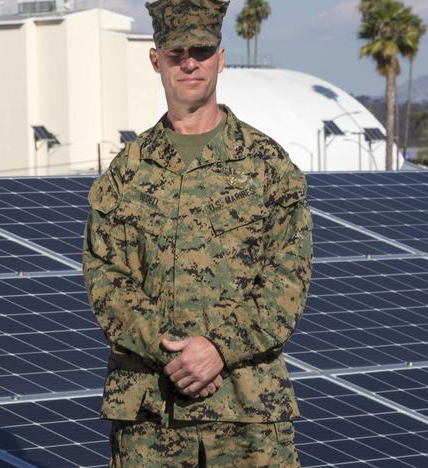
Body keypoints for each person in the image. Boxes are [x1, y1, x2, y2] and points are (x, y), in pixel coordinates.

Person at [82, 0, 312, 465]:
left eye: (202, 50)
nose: (189, 62)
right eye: (175, 52)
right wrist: (171, 351)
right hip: (150, 419)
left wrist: (219, 349)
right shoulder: (126, 173)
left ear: (220, 58)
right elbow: (105, 279)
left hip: (249, 418)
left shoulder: (268, 166)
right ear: (156, 61)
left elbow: (288, 280)